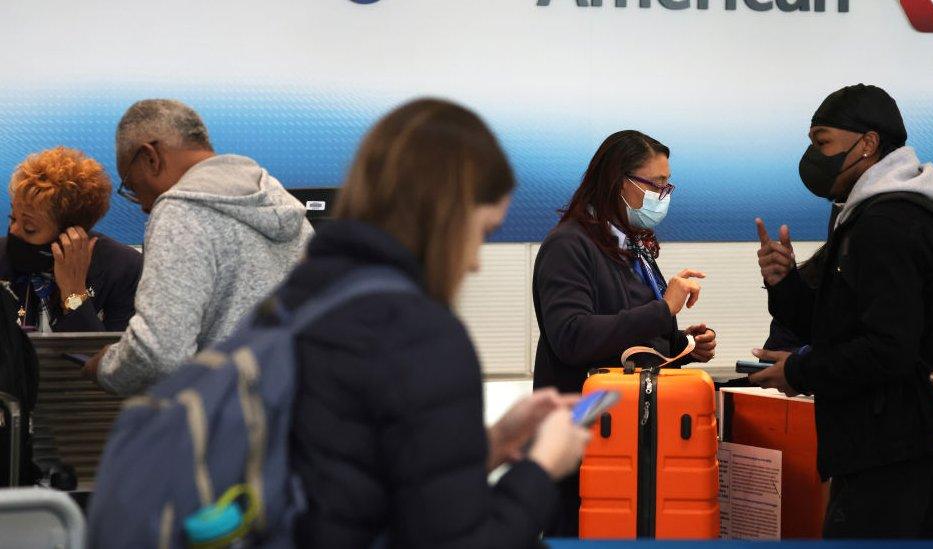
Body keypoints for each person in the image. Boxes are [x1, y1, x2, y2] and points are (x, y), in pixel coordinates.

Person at [282, 98, 590, 548]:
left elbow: (357, 480)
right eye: (483, 232)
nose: (475, 264)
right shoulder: (423, 338)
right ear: (445, 216)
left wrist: (491, 443)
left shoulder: (298, 299)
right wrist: (542, 467)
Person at [752, 84, 933, 539]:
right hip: (905, 449)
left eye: (822, 141)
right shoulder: (876, 213)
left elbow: (888, 348)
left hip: (889, 458)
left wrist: (800, 371)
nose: (813, 156)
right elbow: (839, 324)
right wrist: (785, 283)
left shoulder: (885, 224)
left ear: (867, 144)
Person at [532, 130, 717, 536]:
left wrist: (684, 343)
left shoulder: (633, 247)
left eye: (668, 185)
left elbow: (630, 339)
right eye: (655, 185)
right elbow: (573, 336)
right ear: (620, 181)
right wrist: (662, 308)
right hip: (582, 445)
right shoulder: (569, 246)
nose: (663, 195)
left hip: (633, 441)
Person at [83, 99, 314, 395]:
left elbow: (158, 352)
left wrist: (104, 367)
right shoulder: (282, 204)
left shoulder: (180, 210)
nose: (141, 205)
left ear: (150, 157)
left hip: (228, 424)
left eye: (131, 185)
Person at [1, 146, 142, 332]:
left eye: (29, 228)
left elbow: (107, 356)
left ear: (70, 234)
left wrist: (73, 293)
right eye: (13, 218)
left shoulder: (122, 269)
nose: (13, 231)